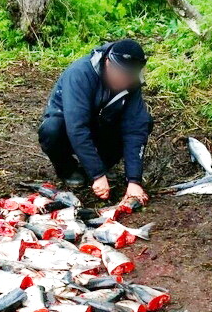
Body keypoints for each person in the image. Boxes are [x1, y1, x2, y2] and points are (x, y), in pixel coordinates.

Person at [38, 39, 153, 204]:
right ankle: (68, 169)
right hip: (69, 127)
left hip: (102, 124)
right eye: (119, 74)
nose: (123, 81)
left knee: (145, 121)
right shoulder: (80, 74)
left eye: (128, 76)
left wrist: (134, 180)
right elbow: (77, 127)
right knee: (51, 129)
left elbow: (135, 128)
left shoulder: (132, 81)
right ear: (108, 62)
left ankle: (102, 165)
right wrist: (97, 175)